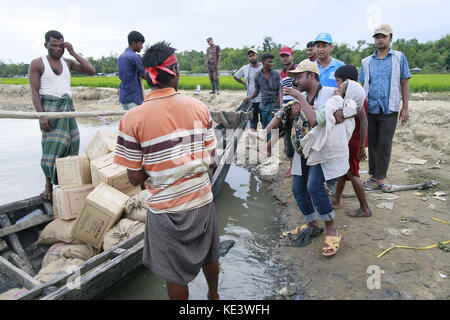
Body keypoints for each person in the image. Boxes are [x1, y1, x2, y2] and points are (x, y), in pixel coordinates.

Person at [114, 41, 220, 300]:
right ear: (174, 71)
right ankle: (214, 296)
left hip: (164, 209)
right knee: (210, 254)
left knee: (173, 274)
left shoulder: (131, 119)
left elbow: (134, 177)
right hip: (201, 200)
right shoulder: (199, 107)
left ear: (148, 76)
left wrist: (159, 168)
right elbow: (213, 161)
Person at [281, 59, 342, 256]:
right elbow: (295, 120)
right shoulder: (304, 95)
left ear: (312, 76)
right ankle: (313, 224)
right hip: (304, 149)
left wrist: (300, 98)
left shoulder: (329, 94)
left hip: (322, 149)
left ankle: (332, 228)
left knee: (313, 185)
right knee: (298, 187)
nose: (296, 80)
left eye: (299, 76)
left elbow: (316, 119)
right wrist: (293, 114)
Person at [28, 30, 95, 201]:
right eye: (54, 45)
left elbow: (91, 70)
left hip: (67, 108)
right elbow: (35, 92)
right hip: (49, 109)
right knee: (51, 147)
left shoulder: (68, 62)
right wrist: (41, 116)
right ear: (46, 45)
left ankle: (67, 184)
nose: (58, 48)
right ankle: (48, 186)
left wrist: (73, 52)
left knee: (72, 143)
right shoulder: (37, 63)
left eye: (61, 45)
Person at [359, 24, 411, 192]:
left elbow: (404, 82)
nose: (380, 39)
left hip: (390, 108)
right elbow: (361, 85)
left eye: (383, 36)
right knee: (372, 143)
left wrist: (405, 108)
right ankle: (374, 175)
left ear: (390, 38)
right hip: (370, 108)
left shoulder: (399, 58)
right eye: (377, 37)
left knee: (385, 143)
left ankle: (380, 178)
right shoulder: (366, 62)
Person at [331, 65, 372, 217]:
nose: (337, 85)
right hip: (350, 140)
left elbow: (365, 122)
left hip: (354, 142)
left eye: (338, 82)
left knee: (353, 173)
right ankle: (336, 199)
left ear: (347, 82)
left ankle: (365, 208)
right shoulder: (352, 96)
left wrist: (361, 146)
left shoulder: (355, 100)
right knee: (343, 171)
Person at [313, 33, 345, 195]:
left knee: (331, 149)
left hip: (333, 115)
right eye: (318, 45)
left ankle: (332, 182)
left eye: (324, 45)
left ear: (331, 47)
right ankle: (317, 181)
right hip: (314, 115)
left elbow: (347, 90)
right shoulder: (310, 66)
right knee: (316, 147)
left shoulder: (340, 66)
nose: (320, 49)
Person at [245, 53, 281, 131]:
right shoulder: (257, 76)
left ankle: (272, 143)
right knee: (265, 126)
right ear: (263, 62)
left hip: (275, 105)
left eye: (272, 62)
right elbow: (257, 91)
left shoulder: (276, 74)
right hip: (264, 105)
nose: (271, 64)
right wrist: (250, 98)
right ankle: (267, 142)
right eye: (269, 62)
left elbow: (281, 90)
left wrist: (277, 103)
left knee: (275, 128)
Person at [233, 48, 263, 134]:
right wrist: (245, 83)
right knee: (253, 122)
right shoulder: (245, 68)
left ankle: (266, 143)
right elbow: (235, 76)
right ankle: (253, 142)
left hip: (263, 99)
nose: (252, 57)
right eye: (250, 56)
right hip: (251, 100)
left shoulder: (263, 66)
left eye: (253, 55)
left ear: (257, 56)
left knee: (265, 122)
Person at [118, 31, 146, 110]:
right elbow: (145, 75)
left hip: (124, 97)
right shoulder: (135, 57)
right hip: (134, 98)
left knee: (127, 120)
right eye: (140, 44)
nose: (142, 47)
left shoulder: (121, 57)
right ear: (134, 43)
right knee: (137, 121)